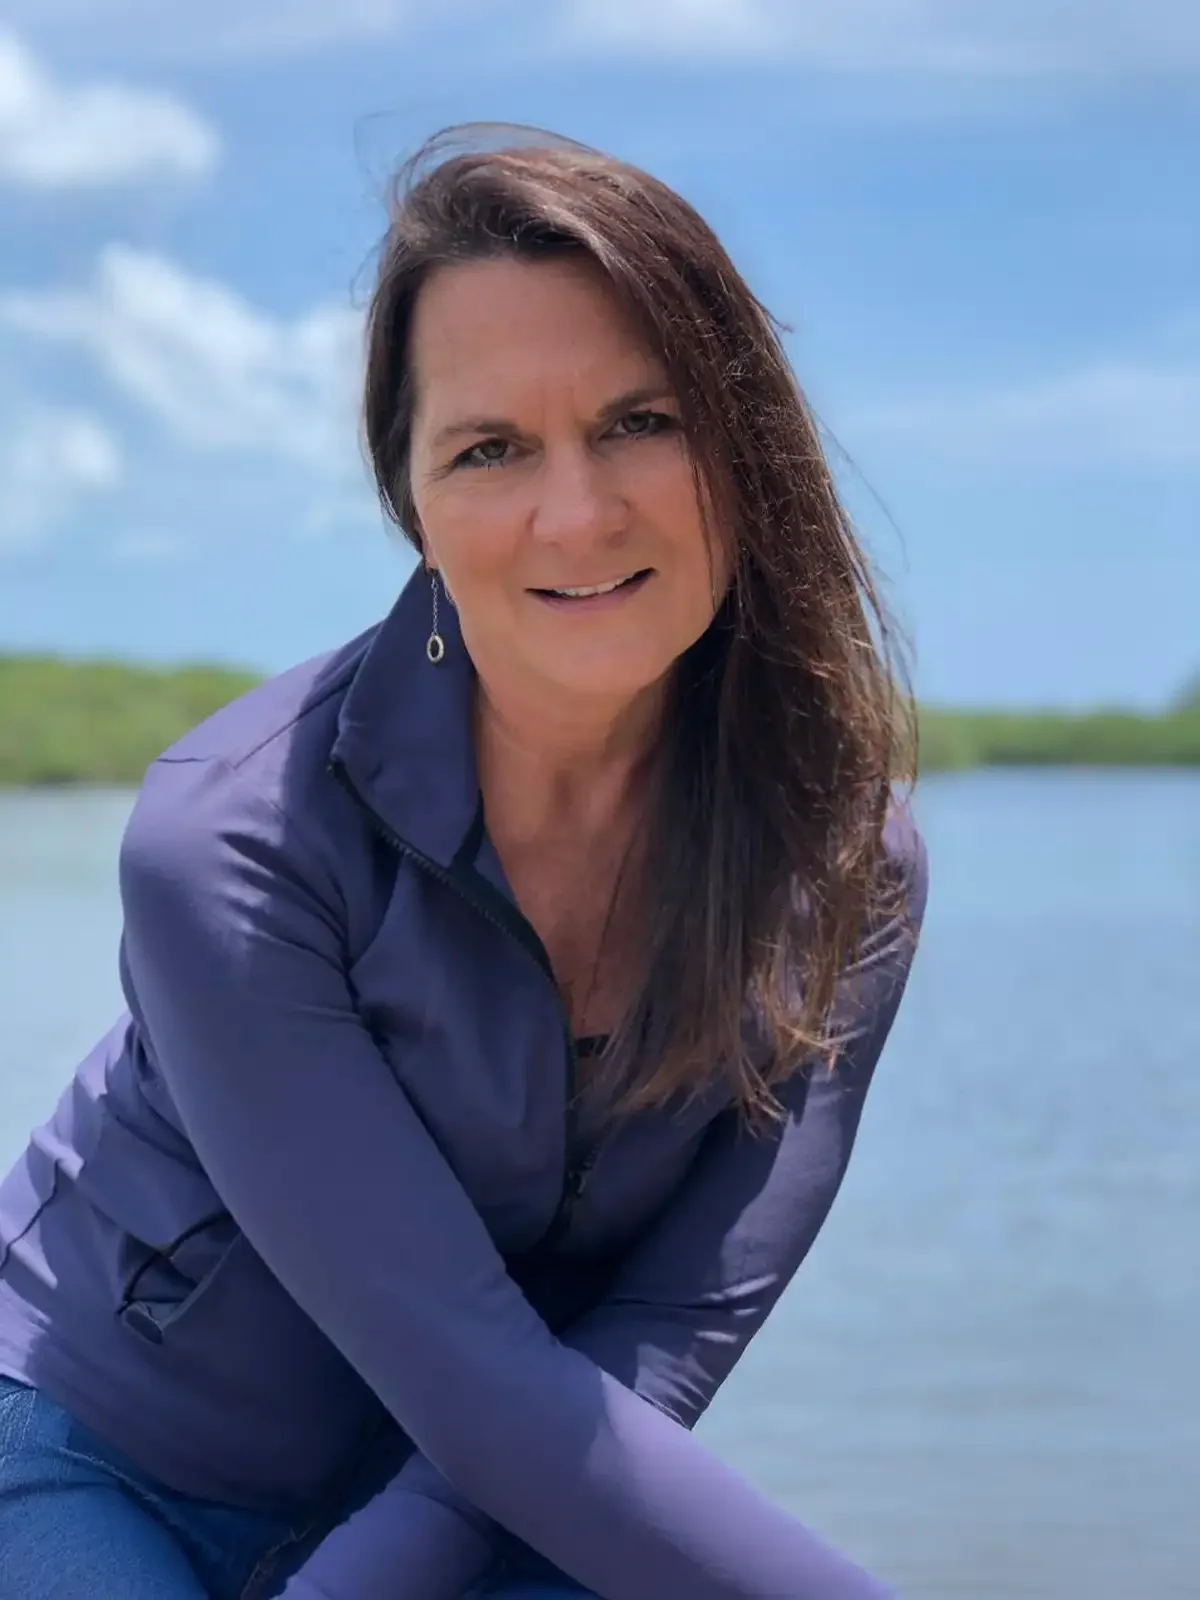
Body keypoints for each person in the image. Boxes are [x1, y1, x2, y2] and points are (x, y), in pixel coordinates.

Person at [0, 127, 928, 1600]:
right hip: (101, 1451)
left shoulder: (842, 867)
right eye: (491, 449)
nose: (578, 513)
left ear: (743, 446)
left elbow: (675, 1317)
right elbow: (477, 1369)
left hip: (501, 1492)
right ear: (413, 509)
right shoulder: (230, 847)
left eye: (642, 420)